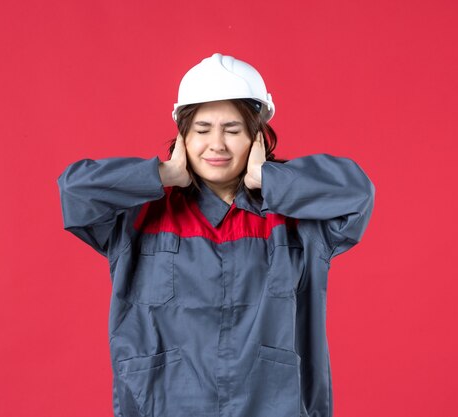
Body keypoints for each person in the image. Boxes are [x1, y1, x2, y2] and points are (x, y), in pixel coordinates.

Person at [57, 53, 375, 417]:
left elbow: (357, 194)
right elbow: (74, 192)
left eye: (233, 130)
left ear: (257, 136)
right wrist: (159, 175)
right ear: (182, 135)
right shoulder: (139, 214)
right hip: (162, 406)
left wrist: (266, 180)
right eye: (203, 130)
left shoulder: (297, 219)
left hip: (275, 406)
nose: (217, 145)